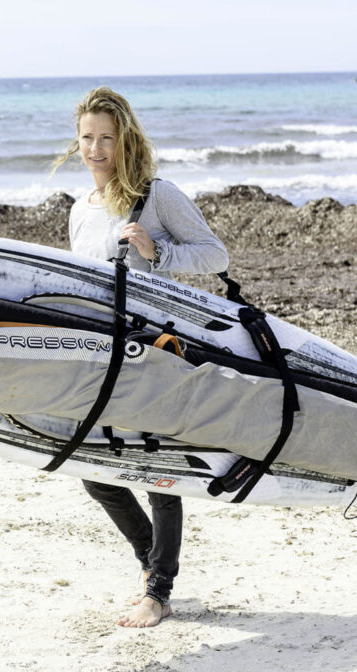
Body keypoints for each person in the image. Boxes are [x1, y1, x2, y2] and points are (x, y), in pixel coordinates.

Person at [52, 87, 229, 628]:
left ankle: (158, 587)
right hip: (94, 355)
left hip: (151, 352)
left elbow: (216, 254)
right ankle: (153, 567)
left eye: (107, 138)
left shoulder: (157, 194)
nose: (96, 148)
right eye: (87, 138)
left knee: (157, 471)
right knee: (93, 469)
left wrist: (160, 251)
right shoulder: (80, 209)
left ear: (125, 140)